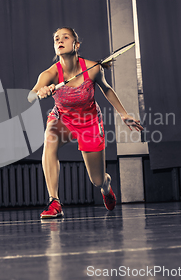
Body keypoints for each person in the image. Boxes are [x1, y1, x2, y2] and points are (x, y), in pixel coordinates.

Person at [31, 27, 143, 219]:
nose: (60, 40)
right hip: (63, 119)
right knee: (50, 137)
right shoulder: (49, 74)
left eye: (66, 37)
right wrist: (40, 92)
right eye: (57, 38)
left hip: (89, 122)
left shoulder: (93, 68)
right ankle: (54, 201)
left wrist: (123, 114)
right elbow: (31, 95)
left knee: (97, 180)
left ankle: (106, 188)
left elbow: (106, 89)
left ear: (76, 44)